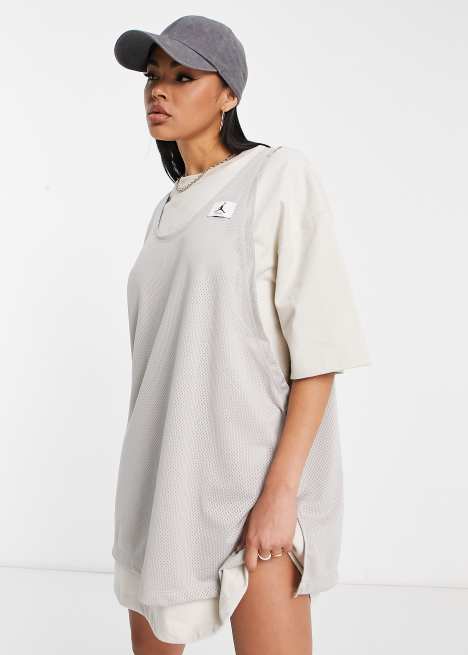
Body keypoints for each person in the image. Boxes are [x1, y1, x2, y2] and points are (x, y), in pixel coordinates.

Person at [111, 14, 371, 655]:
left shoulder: (277, 176)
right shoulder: (167, 209)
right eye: (153, 76)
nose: (158, 90)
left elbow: (320, 350)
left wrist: (280, 494)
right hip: (165, 485)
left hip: (255, 485)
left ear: (228, 94)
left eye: (183, 76)